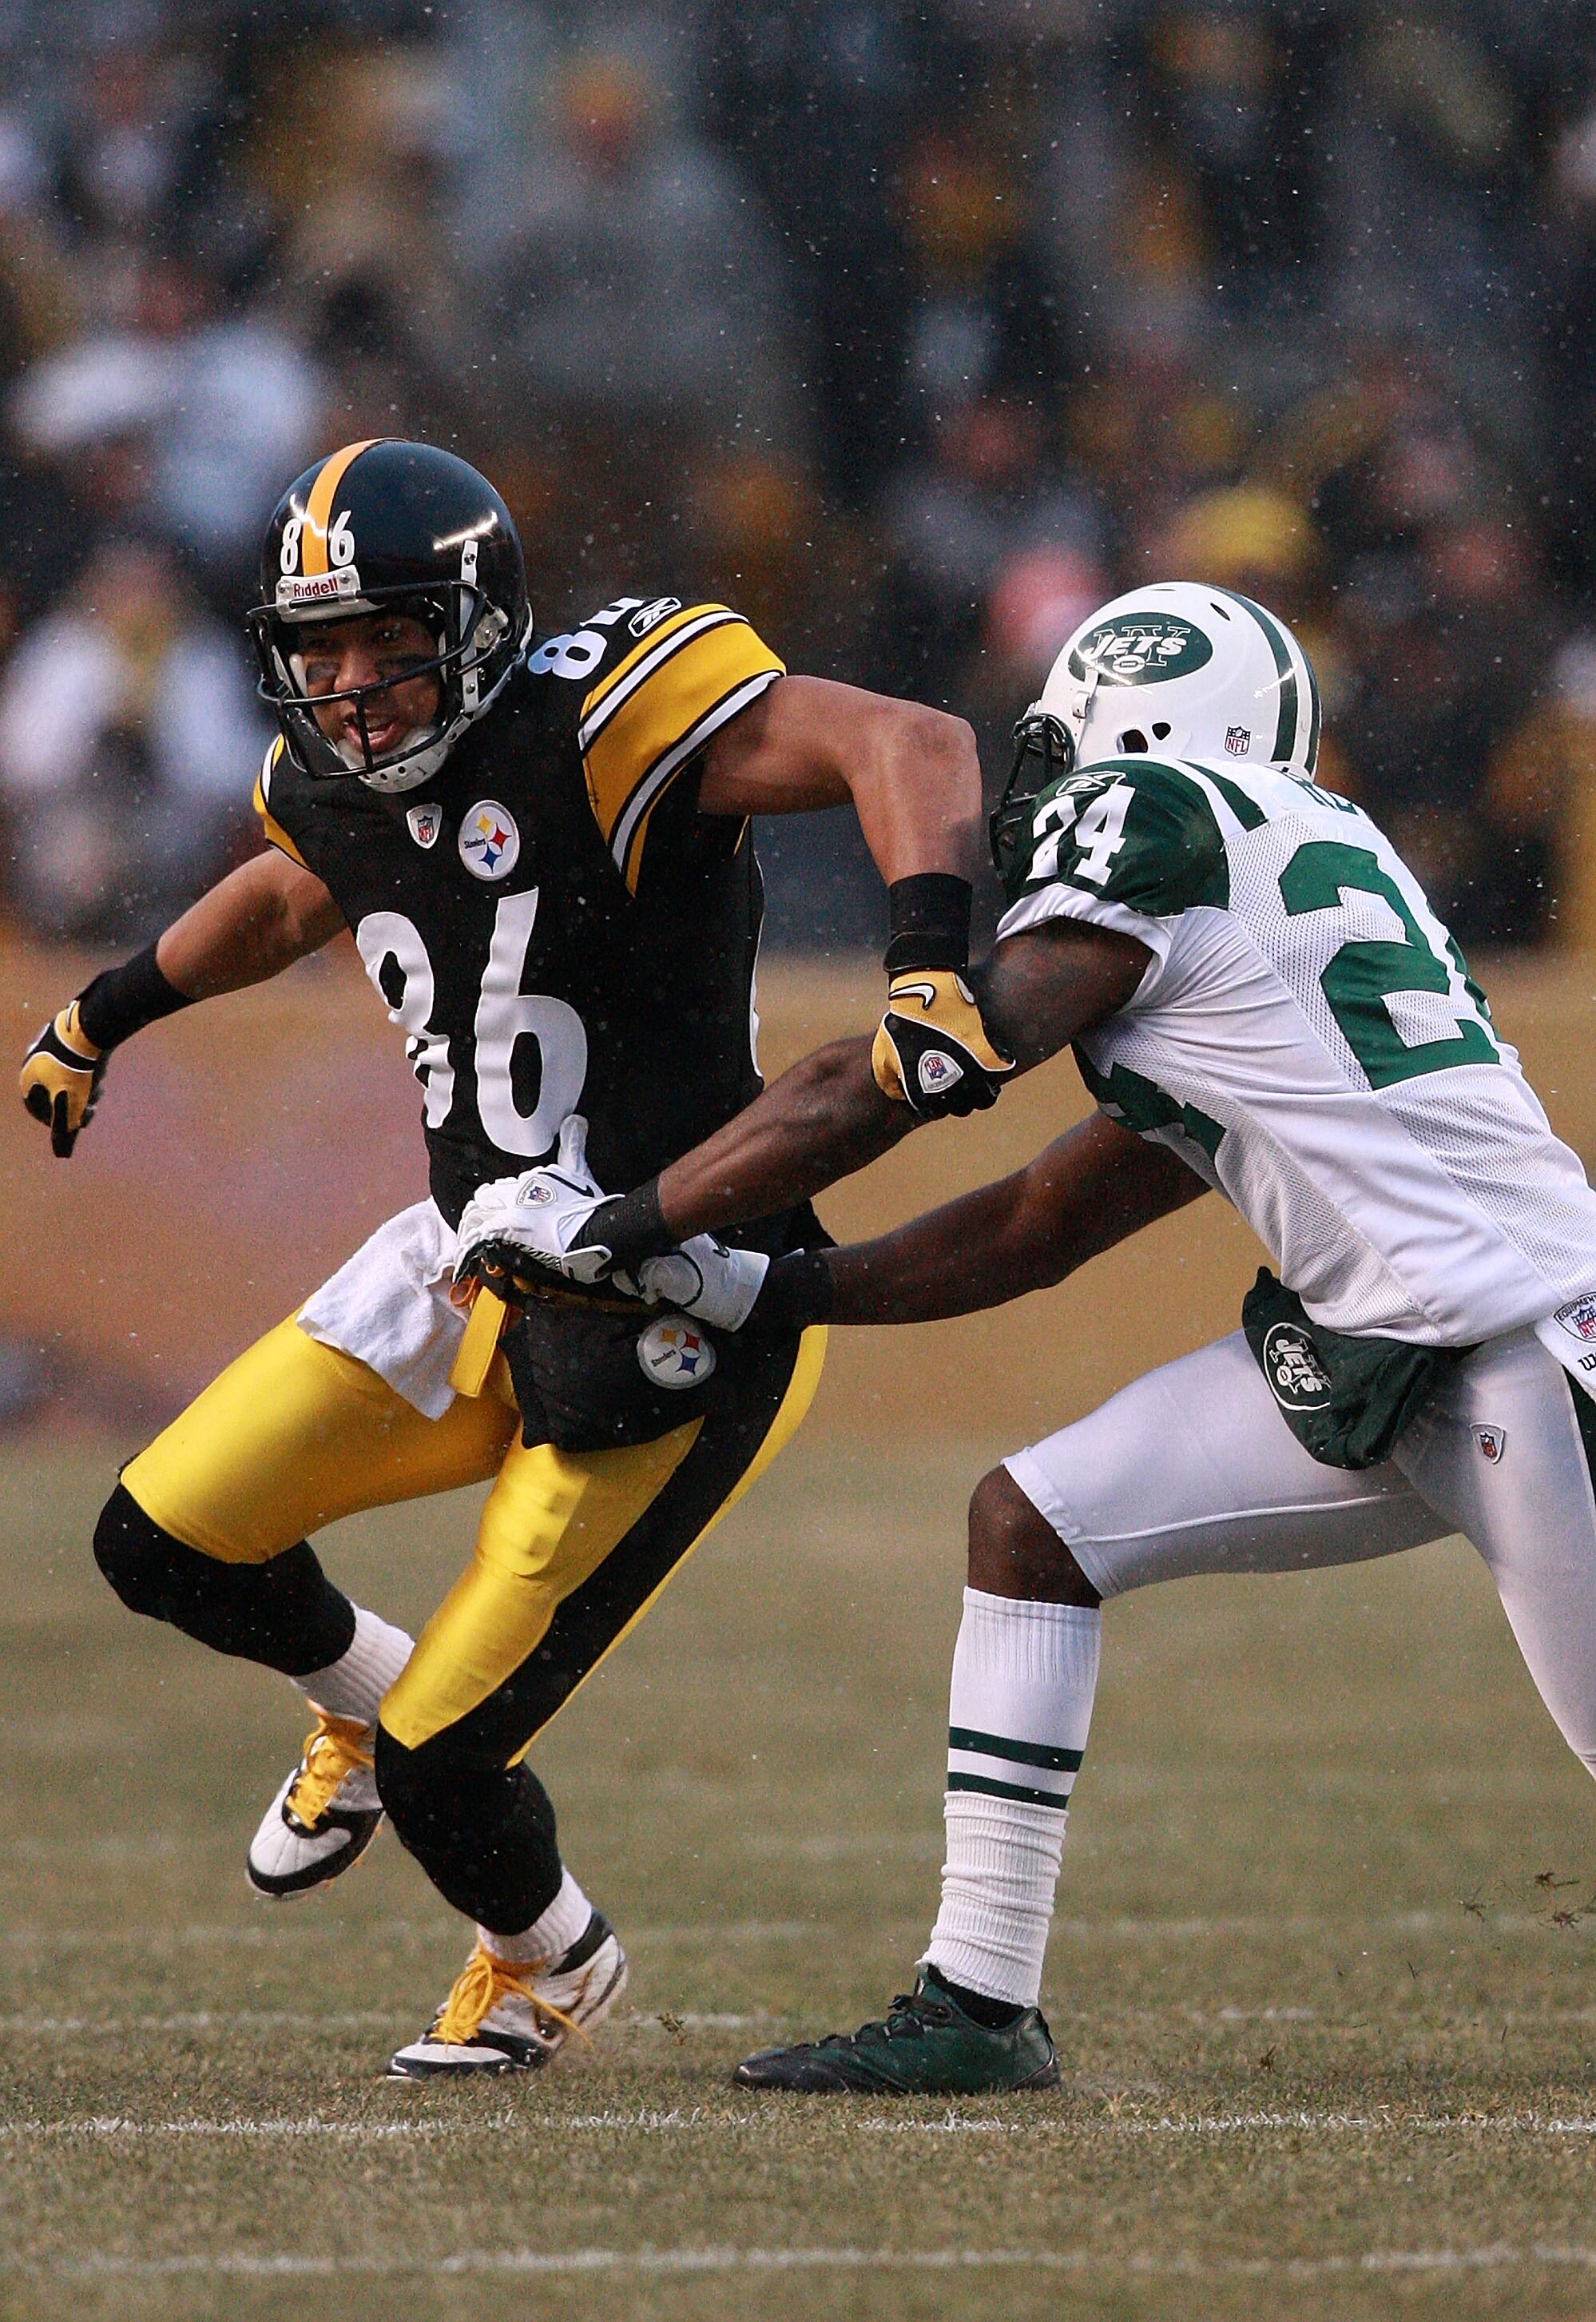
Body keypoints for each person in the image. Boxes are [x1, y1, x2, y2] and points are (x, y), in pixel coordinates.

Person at [478, 580, 1596, 2094]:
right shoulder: (1273, 879)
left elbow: (913, 1067)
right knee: (1034, 1524)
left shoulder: (1157, 813)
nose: (1043, 786)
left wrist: (628, 1222)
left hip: (1527, 1355)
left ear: (1134, 727)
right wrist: (765, 1289)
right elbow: (1038, 1224)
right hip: (1391, 1349)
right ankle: (979, 2005)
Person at [17, 437, 1000, 2081]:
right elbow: (293, 895)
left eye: (382, 637)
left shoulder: (600, 724)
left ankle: (539, 1965)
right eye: (314, 645)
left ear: (473, 620)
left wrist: (925, 968)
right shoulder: (338, 781)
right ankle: (373, 1711)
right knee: (163, 1540)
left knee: (446, 1772)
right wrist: (102, 1009)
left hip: (675, 1293)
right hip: (473, 1260)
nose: (347, 683)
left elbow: (906, 738)